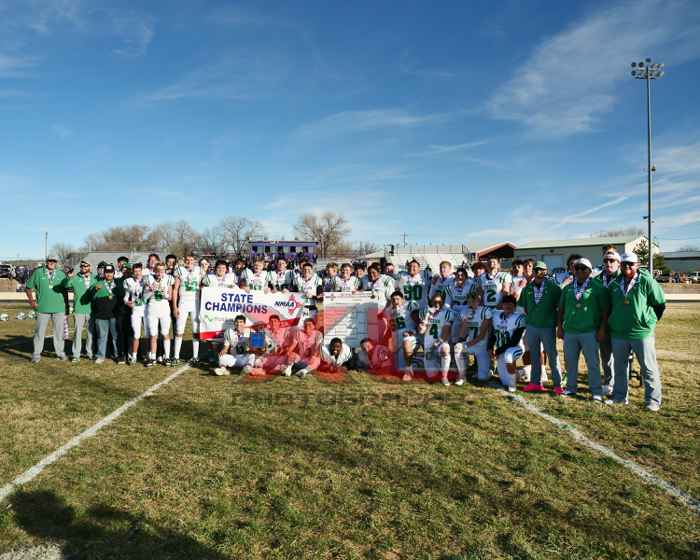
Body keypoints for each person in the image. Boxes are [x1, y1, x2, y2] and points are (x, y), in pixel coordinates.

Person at [605, 252, 665, 411]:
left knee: (648, 368)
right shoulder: (614, 284)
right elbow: (609, 306)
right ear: (620, 265)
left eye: (630, 264)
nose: (627, 266)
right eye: (624, 263)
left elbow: (659, 303)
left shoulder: (646, 281)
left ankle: (653, 401)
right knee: (619, 367)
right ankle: (619, 397)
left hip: (641, 333)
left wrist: (648, 322)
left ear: (637, 265)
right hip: (619, 333)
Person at [557, 258, 606, 401]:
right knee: (570, 362)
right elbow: (561, 310)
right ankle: (571, 388)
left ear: (589, 271)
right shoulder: (567, 288)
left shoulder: (597, 287)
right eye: (576, 268)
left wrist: (602, 329)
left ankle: (596, 391)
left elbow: (604, 311)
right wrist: (559, 327)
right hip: (570, 331)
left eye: (583, 268)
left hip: (589, 331)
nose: (579, 271)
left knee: (592, 363)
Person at [519, 261, 563, 394]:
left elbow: (560, 307)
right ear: (533, 272)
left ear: (546, 271)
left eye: (542, 270)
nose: (539, 272)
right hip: (532, 326)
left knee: (552, 355)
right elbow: (523, 306)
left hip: (547, 326)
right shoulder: (527, 288)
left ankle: (558, 384)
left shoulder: (554, 288)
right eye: (537, 270)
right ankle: (535, 383)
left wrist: (557, 323)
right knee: (534, 355)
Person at [26, 256, 68, 363]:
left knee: (59, 332)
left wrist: (66, 306)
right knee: (39, 332)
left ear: (56, 262)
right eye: (50, 261)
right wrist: (32, 301)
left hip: (58, 308)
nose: (52, 263)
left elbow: (65, 292)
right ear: (46, 261)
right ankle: (36, 354)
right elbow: (28, 288)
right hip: (42, 308)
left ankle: (60, 353)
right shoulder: (38, 272)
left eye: (54, 261)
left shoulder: (61, 274)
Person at [454, 289, 492, 385]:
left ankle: (489, 371)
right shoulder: (466, 311)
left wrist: (467, 345)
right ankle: (462, 375)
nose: (470, 304)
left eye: (472, 301)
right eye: (469, 302)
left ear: (478, 300)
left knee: (482, 377)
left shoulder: (485, 311)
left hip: (482, 346)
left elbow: (482, 335)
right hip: (471, 343)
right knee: (457, 347)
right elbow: (463, 331)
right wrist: (460, 341)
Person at [597, 250, 622, 396]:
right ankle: (608, 381)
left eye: (612, 260)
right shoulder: (597, 279)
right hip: (603, 323)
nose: (608, 263)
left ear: (618, 263)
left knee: (621, 356)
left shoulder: (624, 278)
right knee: (606, 355)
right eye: (605, 260)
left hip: (620, 323)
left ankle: (621, 383)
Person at [173, 254, 204, 365]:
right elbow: (175, 289)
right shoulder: (180, 270)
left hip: (196, 302)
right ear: (184, 261)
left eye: (191, 259)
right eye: (187, 259)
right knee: (179, 330)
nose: (189, 261)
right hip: (183, 302)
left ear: (195, 261)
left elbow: (203, 286)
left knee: (196, 330)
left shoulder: (199, 270)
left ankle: (195, 356)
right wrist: (175, 306)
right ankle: (176, 356)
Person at [491, 294, 526, 392]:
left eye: (510, 304)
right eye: (506, 303)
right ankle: (520, 372)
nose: (508, 306)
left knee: (509, 355)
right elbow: (493, 334)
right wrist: (490, 347)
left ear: (515, 306)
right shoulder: (496, 315)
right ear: (502, 305)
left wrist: (497, 351)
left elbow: (514, 341)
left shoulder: (519, 318)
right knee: (505, 381)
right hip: (501, 349)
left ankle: (512, 384)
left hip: (516, 347)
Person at [381, 290, 419, 380]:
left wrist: (413, 331)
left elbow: (418, 317)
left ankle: (411, 370)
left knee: (403, 366)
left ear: (402, 299)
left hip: (408, 337)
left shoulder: (409, 306)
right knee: (397, 369)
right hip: (396, 340)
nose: (395, 301)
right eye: (393, 299)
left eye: (397, 299)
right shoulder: (388, 311)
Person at [418, 293, 454, 386]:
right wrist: (422, 325)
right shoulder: (425, 312)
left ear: (443, 302)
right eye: (435, 302)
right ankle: (436, 365)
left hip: (440, 344)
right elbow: (421, 332)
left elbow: (446, 333)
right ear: (431, 302)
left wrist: (436, 345)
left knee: (445, 349)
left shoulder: (446, 313)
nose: (437, 304)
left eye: (439, 302)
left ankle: (444, 376)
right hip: (428, 346)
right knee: (431, 376)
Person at [144, 263, 174, 367]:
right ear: (154, 271)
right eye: (158, 271)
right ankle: (153, 358)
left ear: (164, 271)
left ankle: (167, 356)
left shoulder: (168, 279)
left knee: (165, 333)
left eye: (162, 270)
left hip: (164, 309)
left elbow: (170, 297)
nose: (160, 273)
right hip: (152, 309)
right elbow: (145, 297)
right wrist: (151, 290)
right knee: (153, 334)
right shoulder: (149, 279)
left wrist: (163, 293)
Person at [66, 259, 96, 362]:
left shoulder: (95, 278)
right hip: (79, 310)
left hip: (91, 310)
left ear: (90, 267)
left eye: (86, 266)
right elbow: (66, 285)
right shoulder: (75, 278)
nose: (84, 268)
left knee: (90, 333)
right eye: (82, 266)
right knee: (77, 333)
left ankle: (90, 353)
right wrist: (69, 277)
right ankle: (76, 354)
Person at [90, 264, 119, 364]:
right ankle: (100, 356)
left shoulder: (118, 283)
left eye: (110, 272)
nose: (109, 274)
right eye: (107, 272)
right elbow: (90, 295)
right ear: (104, 273)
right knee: (101, 337)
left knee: (115, 336)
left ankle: (117, 355)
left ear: (114, 273)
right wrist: (95, 290)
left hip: (114, 315)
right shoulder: (98, 283)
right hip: (101, 315)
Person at [123, 263, 147, 364]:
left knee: (147, 334)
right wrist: (127, 303)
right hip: (136, 311)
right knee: (136, 335)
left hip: (146, 310)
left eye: (139, 271)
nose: (137, 273)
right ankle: (134, 356)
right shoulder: (128, 281)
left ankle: (147, 355)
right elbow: (126, 297)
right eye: (135, 271)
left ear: (142, 271)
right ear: (133, 272)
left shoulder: (146, 280)